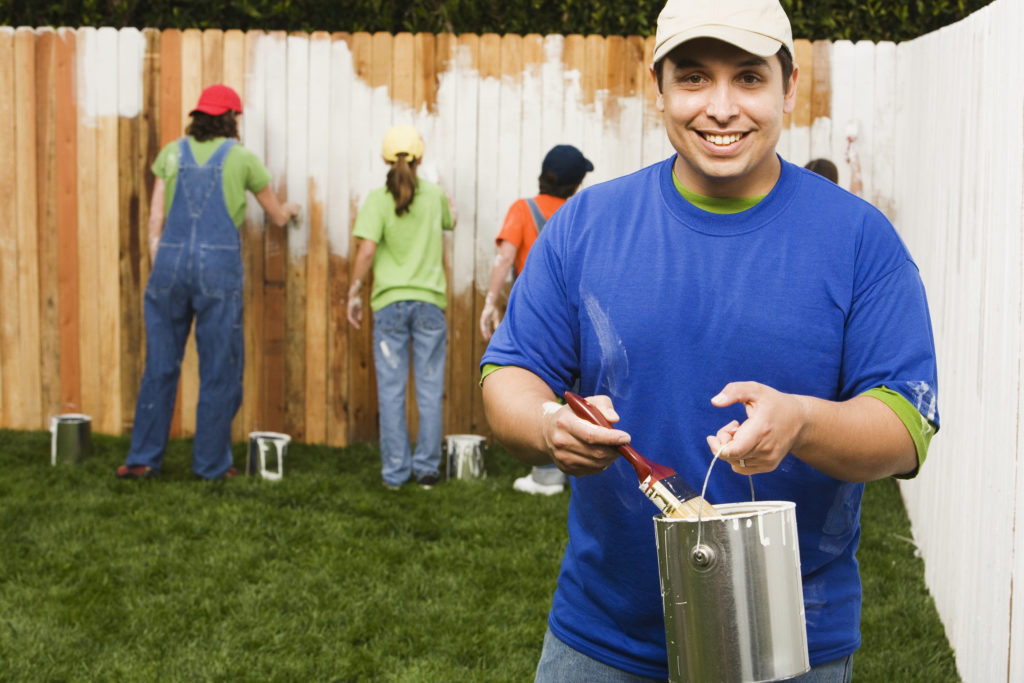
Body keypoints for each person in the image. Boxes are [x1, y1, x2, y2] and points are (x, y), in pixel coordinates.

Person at [480, 0, 939, 681]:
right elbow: (508, 375)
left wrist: (804, 422)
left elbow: (906, 425)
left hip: (790, 645)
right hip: (602, 640)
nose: (721, 107)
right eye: (694, 77)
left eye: (749, 78)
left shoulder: (859, 241)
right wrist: (550, 426)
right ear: (658, 86)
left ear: (788, 87)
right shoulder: (586, 226)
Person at [117, 84, 300, 480]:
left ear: (198, 117)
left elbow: (154, 220)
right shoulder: (243, 159)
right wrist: (292, 209)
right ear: (231, 119)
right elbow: (278, 215)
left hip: (168, 263)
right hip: (218, 270)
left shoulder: (172, 151)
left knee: (161, 366)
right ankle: (211, 466)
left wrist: (162, 263)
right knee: (220, 367)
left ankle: (143, 460)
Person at [480, 144, 593, 496]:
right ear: (575, 183)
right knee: (577, 391)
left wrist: (490, 302)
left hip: (540, 313)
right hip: (579, 314)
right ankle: (581, 471)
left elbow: (505, 258)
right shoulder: (579, 212)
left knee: (540, 385)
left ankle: (546, 477)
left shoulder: (524, 209)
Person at [347, 125, 456, 491]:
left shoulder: (377, 199)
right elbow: (449, 221)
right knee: (429, 388)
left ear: (386, 158)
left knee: (391, 391)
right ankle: (426, 471)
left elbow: (365, 251)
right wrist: (449, 208)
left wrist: (354, 292)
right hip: (429, 306)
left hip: (389, 306)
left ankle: (394, 474)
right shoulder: (436, 195)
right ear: (420, 157)